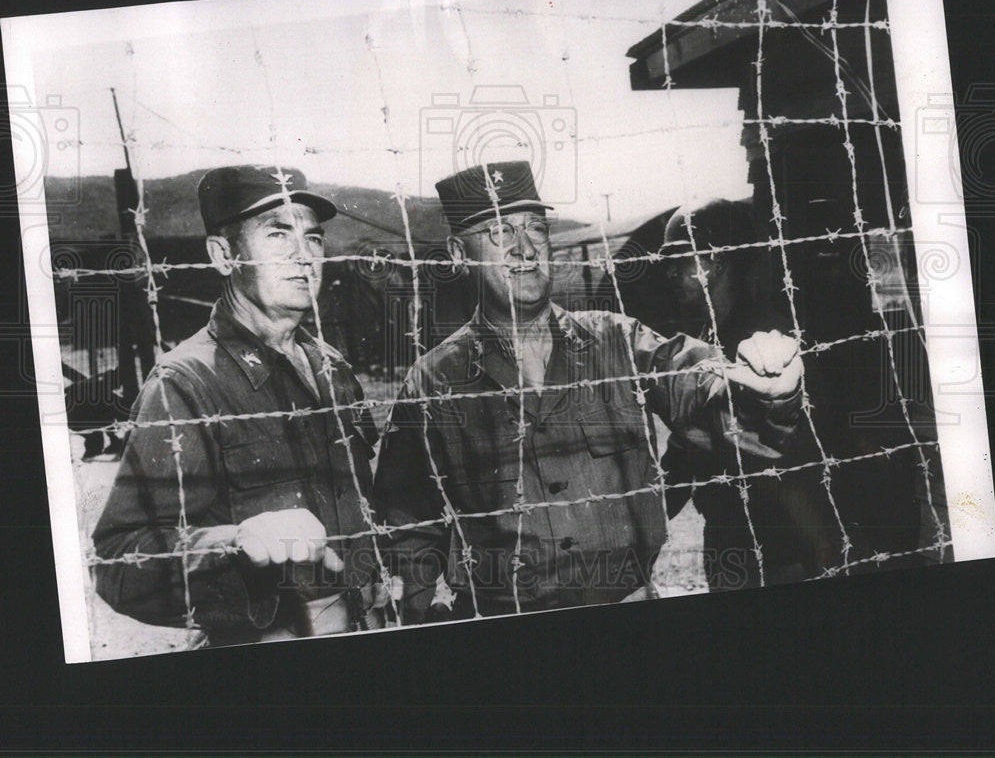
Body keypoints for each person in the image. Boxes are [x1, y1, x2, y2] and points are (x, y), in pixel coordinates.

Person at [373, 162, 806, 623]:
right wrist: (416, 610)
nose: (525, 248)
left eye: (536, 228)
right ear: (460, 254)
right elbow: (407, 521)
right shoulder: (434, 380)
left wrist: (768, 390)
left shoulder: (618, 341)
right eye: (500, 232)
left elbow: (702, 391)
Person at [93, 165, 387, 646]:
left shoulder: (331, 367)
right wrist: (235, 542)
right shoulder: (187, 383)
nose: (302, 256)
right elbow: (117, 562)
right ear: (223, 255)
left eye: (313, 239)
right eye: (277, 235)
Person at [660, 199, 841, 589]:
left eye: (681, 259)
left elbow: (798, 463)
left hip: (777, 547)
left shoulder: (766, 345)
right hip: (735, 535)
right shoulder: (713, 335)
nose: (670, 272)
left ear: (717, 262)